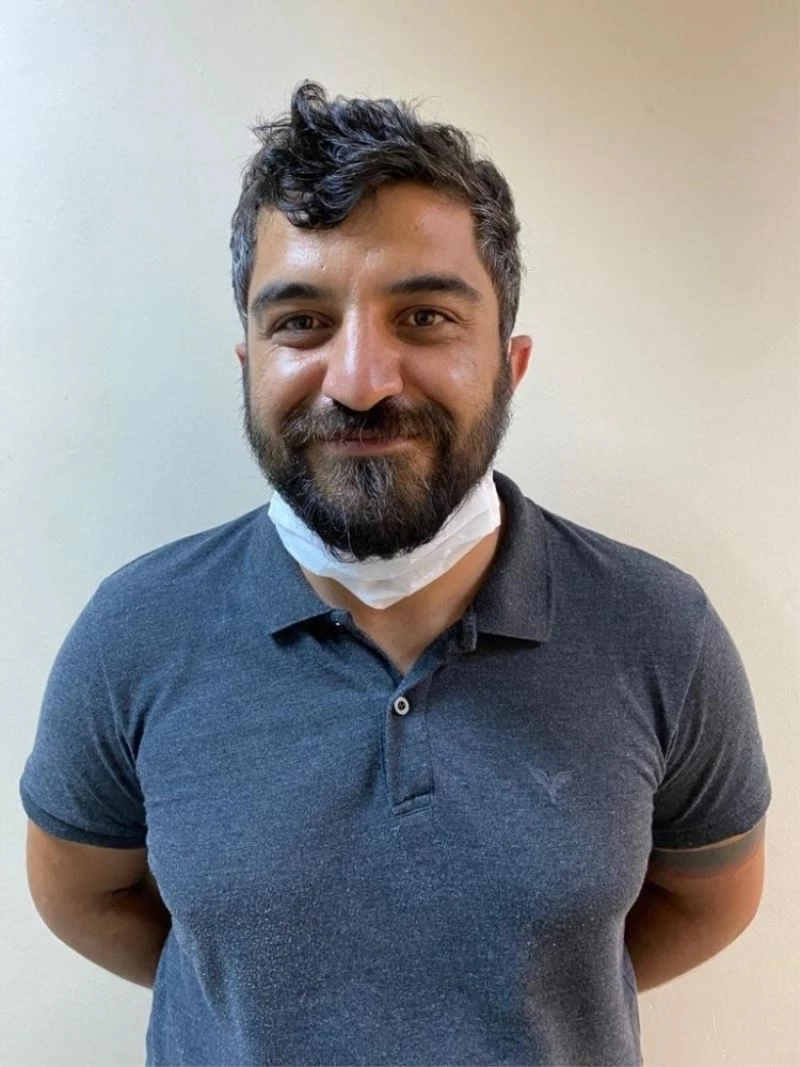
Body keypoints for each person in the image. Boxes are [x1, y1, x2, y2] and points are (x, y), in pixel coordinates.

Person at [20, 81, 771, 1067]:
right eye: (301, 322)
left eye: (422, 316)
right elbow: (80, 893)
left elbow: (710, 896)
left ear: (510, 363)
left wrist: (531, 1000)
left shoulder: (660, 629)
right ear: (247, 362)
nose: (360, 381)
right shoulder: (134, 631)